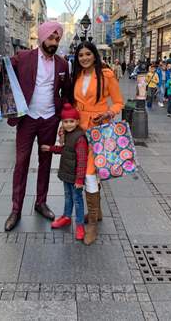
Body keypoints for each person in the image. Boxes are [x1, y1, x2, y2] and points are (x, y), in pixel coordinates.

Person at [0, 22, 71, 232]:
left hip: (50, 119)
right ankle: (16, 209)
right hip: (27, 118)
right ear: (41, 38)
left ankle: (41, 202)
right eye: (51, 38)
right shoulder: (24, 57)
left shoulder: (62, 64)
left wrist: (64, 119)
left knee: (45, 162)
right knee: (21, 163)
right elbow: (2, 66)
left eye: (57, 39)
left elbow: (66, 92)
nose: (54, 43)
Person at [71, 42, 124, 245]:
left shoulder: (106, 75)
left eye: (87, 54)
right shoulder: (76, 76)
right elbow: (75, 103)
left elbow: (119, 101)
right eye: (81, 55)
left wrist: (109, 112)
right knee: (84, 170)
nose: (84, 58)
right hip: (78, 128)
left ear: (94, 55)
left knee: (88, 173)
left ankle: (92, 223)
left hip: (98, 127)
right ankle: (98, 211)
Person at [41, 103, 87, 241]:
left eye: (71, 121)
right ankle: (66, 217)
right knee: (67, 197)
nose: (68, 124)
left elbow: (82, 160)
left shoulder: (80, 138)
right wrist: (50, 148)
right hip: (66, 173)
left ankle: (79, 225)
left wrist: (79, 179)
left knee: (77, 200)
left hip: (75, 177)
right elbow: (65, 150)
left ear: (77, 122)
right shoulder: (67, 135)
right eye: (65, 122)